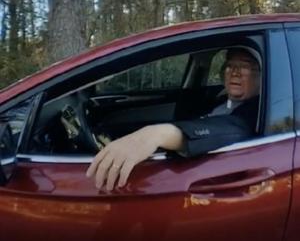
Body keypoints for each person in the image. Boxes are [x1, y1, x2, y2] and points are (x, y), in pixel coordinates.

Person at [86, 48, 261, 191]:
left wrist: (155, 135)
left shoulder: (255, 111)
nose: (235, 72)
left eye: (244, 66)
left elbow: (229, 128)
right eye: (230, 65)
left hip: (202, 182)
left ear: (261, 76)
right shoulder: (221, 99)